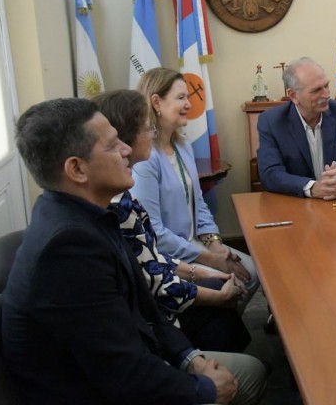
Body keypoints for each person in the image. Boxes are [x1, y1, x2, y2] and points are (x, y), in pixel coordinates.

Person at [3, 98, 266, 404]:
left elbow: (146, 307)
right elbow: (122, 372)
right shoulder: (66, 249)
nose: (126, 150)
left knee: (248, 368)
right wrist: (204, 389)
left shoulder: (90, 213)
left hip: (134, 361)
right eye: (112, 145)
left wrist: (190, 358)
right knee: (248, 376)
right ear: (76, 169)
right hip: (98, 391)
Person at [95, 89, 251, 353]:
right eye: (148, 129)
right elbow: (155, 277)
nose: (188, 104)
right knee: (225, 294)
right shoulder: (117, 202)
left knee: (235, 280)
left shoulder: (177, 150)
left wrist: (211, 252)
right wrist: (213, 286)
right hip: (155, 319)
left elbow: (153, 255)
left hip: (175, 262)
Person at [131, 68, 259, 303]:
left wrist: (216, 245)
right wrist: (209, 259)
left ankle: (222, 320)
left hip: (195, 245)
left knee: (252, 271)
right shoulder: (146, 158)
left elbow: (198, 203)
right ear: (156, 102)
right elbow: (154, 232)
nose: (189, 104)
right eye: (181, 97)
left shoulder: (182, 145)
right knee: (232, 281)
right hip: (166, 255)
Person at [257, 56, 336, 199]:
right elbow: (270, 174)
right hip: (296, 205)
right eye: (316, 90)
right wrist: (312, 188)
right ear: (293, 95)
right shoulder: (272, 122)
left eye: (326, 86)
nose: (326, 94)